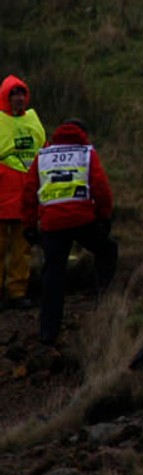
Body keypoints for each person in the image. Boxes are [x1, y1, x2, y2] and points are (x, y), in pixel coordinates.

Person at [21, 120, 117, 347]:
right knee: (107, 250)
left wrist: (28, 226)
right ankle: (104, 300)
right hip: (82, 219)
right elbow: (101, 188)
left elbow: (28, 192)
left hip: (52, 223)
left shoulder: (43, 156)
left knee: (53, 274)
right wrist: (104, 218)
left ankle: (48, 331)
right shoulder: (86, 153)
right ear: (83, 134)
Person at [0, 75, 47, 309]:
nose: (18, 99)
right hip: (3, 194)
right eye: (14, 95)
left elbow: (44, 152)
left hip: (25, 196)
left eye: (21, 94)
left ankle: (17, 292)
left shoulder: (33, 121)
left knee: (22, 249)